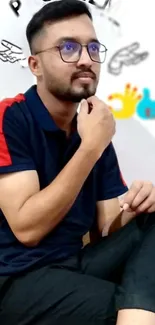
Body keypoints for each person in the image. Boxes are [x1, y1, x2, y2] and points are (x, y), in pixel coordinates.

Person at [0, 1, 155, 324]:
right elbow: (27, 228)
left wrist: (140, 207)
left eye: (93, 47)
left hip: (76, 262)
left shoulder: (93, 126)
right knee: (135, 306)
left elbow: (104, 229)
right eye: (67, 48)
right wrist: (90, 148)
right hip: (17, 278)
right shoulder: (10, 118)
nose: (86, 60)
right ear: (35, 65)